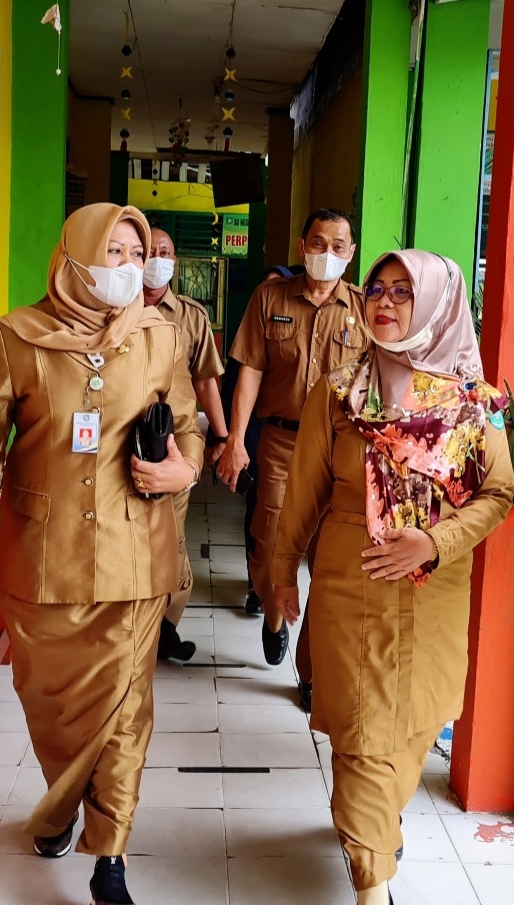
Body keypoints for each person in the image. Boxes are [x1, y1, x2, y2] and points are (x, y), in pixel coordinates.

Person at [0, 203, 203, 905]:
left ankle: (110, 859)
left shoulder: (159, 337)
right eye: (112, 251)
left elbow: (186, 423)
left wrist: (182, 471)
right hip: (43, 557)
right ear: (74, 257)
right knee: (53, 706)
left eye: (133, 253)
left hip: (135, 554)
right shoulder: (17, 337)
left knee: (125, 711)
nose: (126, 266)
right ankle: (62, 802)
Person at [272, 250, 514, 905]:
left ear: (438, 305)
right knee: (359, 735)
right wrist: (281, 573)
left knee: (408, 728)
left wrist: (434, 542)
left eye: (404, 293)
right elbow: (307, 492)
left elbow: (498, 496)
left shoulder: (471, 402)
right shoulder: (337, 392)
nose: (383, 303)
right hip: (350, 586)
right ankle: (373, 882)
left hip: (431, 590)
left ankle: (377, 825)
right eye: (376, 290)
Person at [217, 211, 367, 713]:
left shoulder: (365, 310)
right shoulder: (270, 298)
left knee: (328, 561)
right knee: (268, 542)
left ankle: (310, 673)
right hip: (280, 443)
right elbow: (251, 372)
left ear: (351, 252)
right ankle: (274, 612)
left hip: (340, 448)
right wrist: (235, 439)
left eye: (339, 245)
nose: (328, 253)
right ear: (302, 245)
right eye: (319, 243)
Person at [142, 226, 229, 662]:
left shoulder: (192, 315)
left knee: (171, 542)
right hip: (121, 445)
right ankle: (137, 626)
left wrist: (223, 437)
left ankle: (164, 627)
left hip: (175, 448)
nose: (157, 259)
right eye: (149, 251)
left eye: (165, 252)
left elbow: (206, 381)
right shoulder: (111, 307)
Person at [219, 264, 300, 618]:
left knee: (325, 545)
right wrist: (229, 439)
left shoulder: (354, 309)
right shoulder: (263, 308)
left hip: (327, 443)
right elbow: (239, 379)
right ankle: (270, 610)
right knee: (265, 530)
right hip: (270, 434)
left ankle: (310, 661)